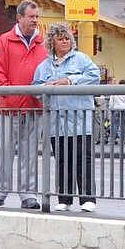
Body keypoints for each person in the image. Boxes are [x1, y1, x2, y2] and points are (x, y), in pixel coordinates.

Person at [0, 0, 48, 210]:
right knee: (3, 151)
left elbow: (49, 71)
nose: (35, 21)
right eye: (31, 17)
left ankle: (27, 194)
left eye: (36, 17)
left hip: (33, 108)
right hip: (9, 107)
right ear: (19, 18)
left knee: (30, 153)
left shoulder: (43, 44)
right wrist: (11, 96)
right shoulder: (4, 41)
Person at [33, 23, 100, 212]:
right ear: (52, 42)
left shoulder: (81, 59)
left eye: (67, 38)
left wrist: (70, 81)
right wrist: (46, 87)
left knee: (83, 159)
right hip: (57, 123)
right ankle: (64, 198)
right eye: (60, 38)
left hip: (80, 121)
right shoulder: (44, 66)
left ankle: (88, 198)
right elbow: (35, 88)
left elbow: (95, 76)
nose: (65, 41)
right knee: (62, 160)